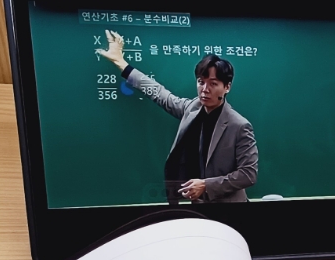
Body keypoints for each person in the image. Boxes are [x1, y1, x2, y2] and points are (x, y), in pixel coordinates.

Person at [97, 30, 257, 203]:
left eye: (213, 84)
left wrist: (206, 185)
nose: (205, 89)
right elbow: (159, 93)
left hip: (229, 209)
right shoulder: (192, 108)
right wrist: (121, 63)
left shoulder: (239, 126)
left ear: (227, 87)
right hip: (195, 204)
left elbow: (248, 174)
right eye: (201, 82)